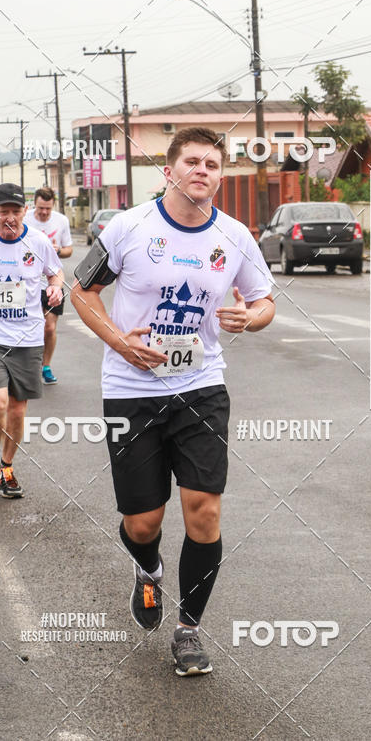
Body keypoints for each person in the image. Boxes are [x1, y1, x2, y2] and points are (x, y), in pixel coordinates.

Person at [71, 126, 275, 676]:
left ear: (221, 175)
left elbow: (264, 302)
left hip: (201, 390)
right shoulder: (127, 228)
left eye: (212, 163)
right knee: (142, 522)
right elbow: (80, 291)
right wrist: (120, 342)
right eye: (191, 161)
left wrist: (251, 318)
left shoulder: (235, 237)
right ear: (169, 170)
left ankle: (188, 631)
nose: (202, 171)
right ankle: (148, 569)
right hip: (131, 393)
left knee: (203, 512)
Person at [0, 183, 63, 501]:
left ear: (24, 211)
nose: (10, 217)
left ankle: (7, 468)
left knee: (17, 410)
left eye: (15, 210)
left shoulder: (38, 242)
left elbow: (56, 273)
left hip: (27, 337)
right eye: (3, 210)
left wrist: (56, 289)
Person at [23, 186, 73, 384]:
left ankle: (45, 366)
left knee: (49, 328)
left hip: (52, 281)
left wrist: (58, 250)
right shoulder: (25, 219)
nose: (44, 212)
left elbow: (69, 250)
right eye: (40, 208)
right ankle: (27, 365)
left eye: (48, 209)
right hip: (28, 282)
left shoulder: (61, 221)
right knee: (30, 326)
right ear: (34, 204)